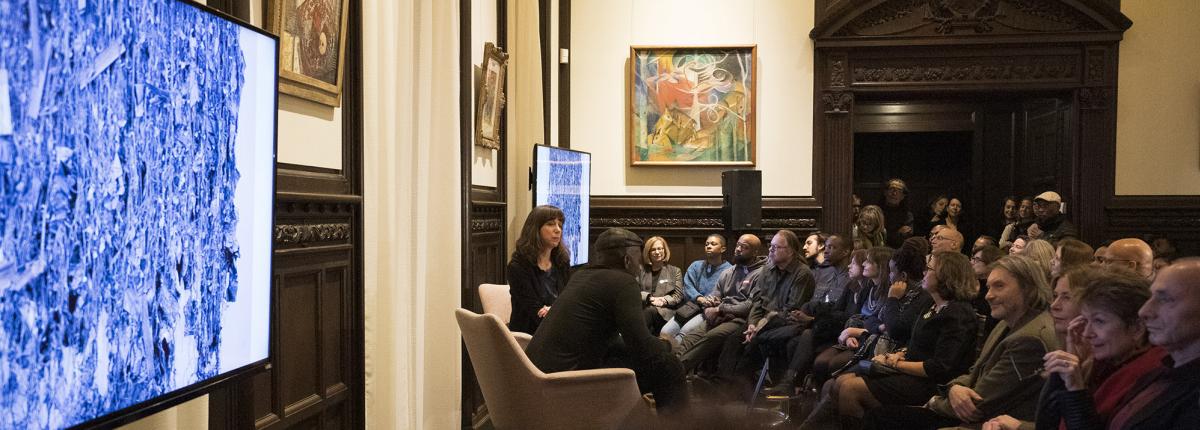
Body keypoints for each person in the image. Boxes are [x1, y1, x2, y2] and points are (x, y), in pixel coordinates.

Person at [863, 255, 1059, 429]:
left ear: (1027, 287)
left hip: (995, 421)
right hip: (964, 401)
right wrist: (954, 388)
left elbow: (979, 403)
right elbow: (975, 371)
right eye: (989, 287)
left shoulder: (1029, 339)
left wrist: (933, 401)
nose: (988, 295)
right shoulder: (1007, 322)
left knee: (878, 415)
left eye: (999, 286)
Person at [525, 228, 687, 411]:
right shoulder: (624, 283)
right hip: (566, 385)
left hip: (537, 382)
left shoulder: (580, 275)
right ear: (627, 260)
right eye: (638, 257)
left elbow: (608, 338)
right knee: (669, 367)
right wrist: (667, 345)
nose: (640, 264)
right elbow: (641, 346)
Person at [985, 268, 1165, 430]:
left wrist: (1076, 390)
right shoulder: (1107, 363)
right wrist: (1065, 366)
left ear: (1137, 328)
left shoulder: (1149, 376)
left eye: (1099, 321)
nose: (1087, 333)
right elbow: (1047, 425)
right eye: (1085, 321)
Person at [827, 252, 979, 428]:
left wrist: (895, 364)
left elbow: (940, 367)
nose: (923, 273)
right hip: (911, 371)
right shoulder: (931, 304)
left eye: (929, 269)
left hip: (933, 383)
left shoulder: (958, 313)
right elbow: (917, 344)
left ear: (946, 275)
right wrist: (900, 354)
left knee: (850, 389)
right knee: (840, 382)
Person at [719, 230, 817, 390]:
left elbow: (791, 310)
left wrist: (760, 326)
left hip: (787, 323)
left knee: (754, 344)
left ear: (790, 251)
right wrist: (752, 324)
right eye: (771, 247)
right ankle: (725, 386)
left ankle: (739, 390)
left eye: (776, 247)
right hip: (763, 321)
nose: (771, 251)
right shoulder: (767, 269)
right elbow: (757, 301)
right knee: (734, 339)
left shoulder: (802, 274)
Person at [766, 234, 853, 395]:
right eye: (825, 247)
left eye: (832, 248)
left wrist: (811, 319)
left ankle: (791, 384)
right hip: (816, 323)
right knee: (785, 340)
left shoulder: (848, 278)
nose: (826, 251)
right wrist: (804, 312)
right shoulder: (826, 274)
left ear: (845, 252)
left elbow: (838, 311)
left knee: (798, 337)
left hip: (832, 328)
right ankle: (788, 388)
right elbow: (816, 302)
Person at [675, 234, 765, 373]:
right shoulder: (729, 272)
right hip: (718, 315)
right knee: (689, 338)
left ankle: (677, 371)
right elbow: (714, 297)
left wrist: (719, 308)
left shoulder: (761, 274)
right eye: (738, 245)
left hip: (739, 319)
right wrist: (709, 307)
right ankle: (669, 369)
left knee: (711, 337)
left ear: (755, 252)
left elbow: (748, 306)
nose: (738, 249)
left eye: (744, 247)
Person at [507, 205, 570, 334]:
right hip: (530, 336)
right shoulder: (518, 267)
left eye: (560, 225)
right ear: (535, 229)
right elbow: (536, 313)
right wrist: (558, 311)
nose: (558, 230)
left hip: (558, 328)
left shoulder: (562, 262)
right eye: (551, 224)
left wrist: (553, 310)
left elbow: (568, 300)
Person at [663, 234, 732, 340]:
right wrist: (700, 298)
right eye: (707, 244)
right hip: (690, 306)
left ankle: (675, 355)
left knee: (685, 331)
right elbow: (687, 286)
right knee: (665, 331)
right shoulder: (696, 266)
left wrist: (713, 301)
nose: (708, 246)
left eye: (713, 244)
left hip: (708, 311)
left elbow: (728, 293)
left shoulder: (729, 270)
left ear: (723, 249)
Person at [640, 236, 684, 334]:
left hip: (665, 312)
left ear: (664, 250)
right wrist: (649, 298)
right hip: (643, 309)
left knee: (650, 311)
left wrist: (663, 301)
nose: (657, 252)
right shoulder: (641, 271)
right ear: (648, 253)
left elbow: (678, 295)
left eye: (660, 248)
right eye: (653, 249)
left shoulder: (675, 271)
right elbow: (634, 291)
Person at [972, 244, 1006, 332]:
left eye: (977, 260)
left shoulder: (996, 291)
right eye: (973, 259)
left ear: (990, 262)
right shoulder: (976, 285)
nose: (972, 262)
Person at [880, 178, 915, 248]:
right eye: (892, 189)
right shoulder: (876, 211)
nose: (894, 193)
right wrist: (898, 233)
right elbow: (876, 235)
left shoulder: (908, 215)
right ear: (885, 192)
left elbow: (907, 236)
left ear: (903, 196)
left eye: (899, 191)